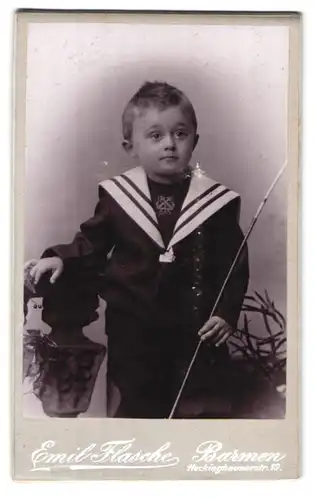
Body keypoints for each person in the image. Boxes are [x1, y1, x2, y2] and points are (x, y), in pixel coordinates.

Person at [27, 81, 249, 419]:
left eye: (180, 133)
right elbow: (91, 242)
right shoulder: (118, 196)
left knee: (195, 404)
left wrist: (225, 314)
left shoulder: (215, 202)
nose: (170, 145)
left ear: (195, 141)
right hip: (134, 328)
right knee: (139, 402)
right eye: (156, 136)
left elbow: (234, 264)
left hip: (195, 328)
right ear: (131, 146)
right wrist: (61, 257)